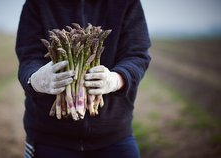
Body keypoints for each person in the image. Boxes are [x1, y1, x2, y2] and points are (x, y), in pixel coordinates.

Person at [15, 0, 151, 158]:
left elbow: (137, 55)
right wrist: (37, 80)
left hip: (115, 136)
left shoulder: (127, 2)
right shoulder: (37, 3)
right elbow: (28, 57)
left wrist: (116, 79)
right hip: (49, 137)